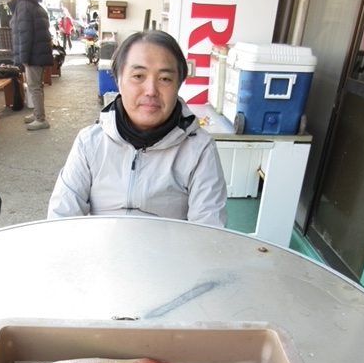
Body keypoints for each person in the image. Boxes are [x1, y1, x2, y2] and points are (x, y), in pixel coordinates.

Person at [47, 30, 228, 226]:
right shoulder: (89, 142)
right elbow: (62, 220)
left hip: (170, 246)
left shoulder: (200, 149)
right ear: (118, 80)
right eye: (138, 76)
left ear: (178, 85)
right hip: (102, 245)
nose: (151, 91)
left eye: (165, 78)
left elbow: (209, 230)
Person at [9, 0, 53, 131]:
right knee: (37, 86)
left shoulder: (23, 6)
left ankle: (40, 119)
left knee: (34, 87)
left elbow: (25, 34)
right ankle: (37, 114)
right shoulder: (34, 5)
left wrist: (24, 58)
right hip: (39, 52)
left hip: (33, 54)